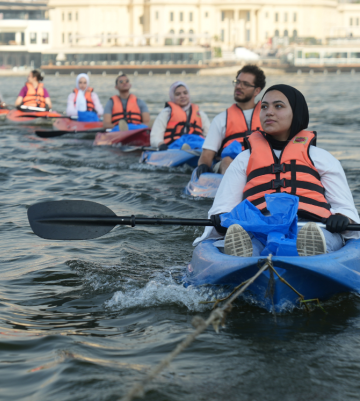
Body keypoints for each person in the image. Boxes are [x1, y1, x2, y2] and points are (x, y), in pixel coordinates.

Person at [197, 84, 360, 258]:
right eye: (264, 106)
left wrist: (343, 218)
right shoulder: (244, 159)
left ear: (296, 112)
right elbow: (223, 206)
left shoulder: (321, 158)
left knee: (319, 238)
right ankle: (246, 256)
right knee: (251, 241)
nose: (269, 112)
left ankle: (311, 254)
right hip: (260, 228)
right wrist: (221, 220)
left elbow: (345, 208)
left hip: (312, 228)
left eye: (278, 106)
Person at [196, 65, 266, 176]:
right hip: (228, 165)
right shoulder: (221, 119)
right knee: (227, 161)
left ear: (257, 90)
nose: (239, 86)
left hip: (260, 164)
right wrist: (203, 165)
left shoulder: (267, 116)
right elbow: (207, 154)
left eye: (245, 84)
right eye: (237, 82)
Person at [150, 81, 210, 149]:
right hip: (173, 146)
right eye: (178, 94)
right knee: (183, 142)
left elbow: (209, 136)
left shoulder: (200, 114)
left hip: (197, 144)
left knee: (198, 141)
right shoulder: (166, 113)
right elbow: (155, 137)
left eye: (185, 93)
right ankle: (186, 148)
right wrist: (160, 144)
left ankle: (193, 149)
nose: (182, 96)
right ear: (172, 96)